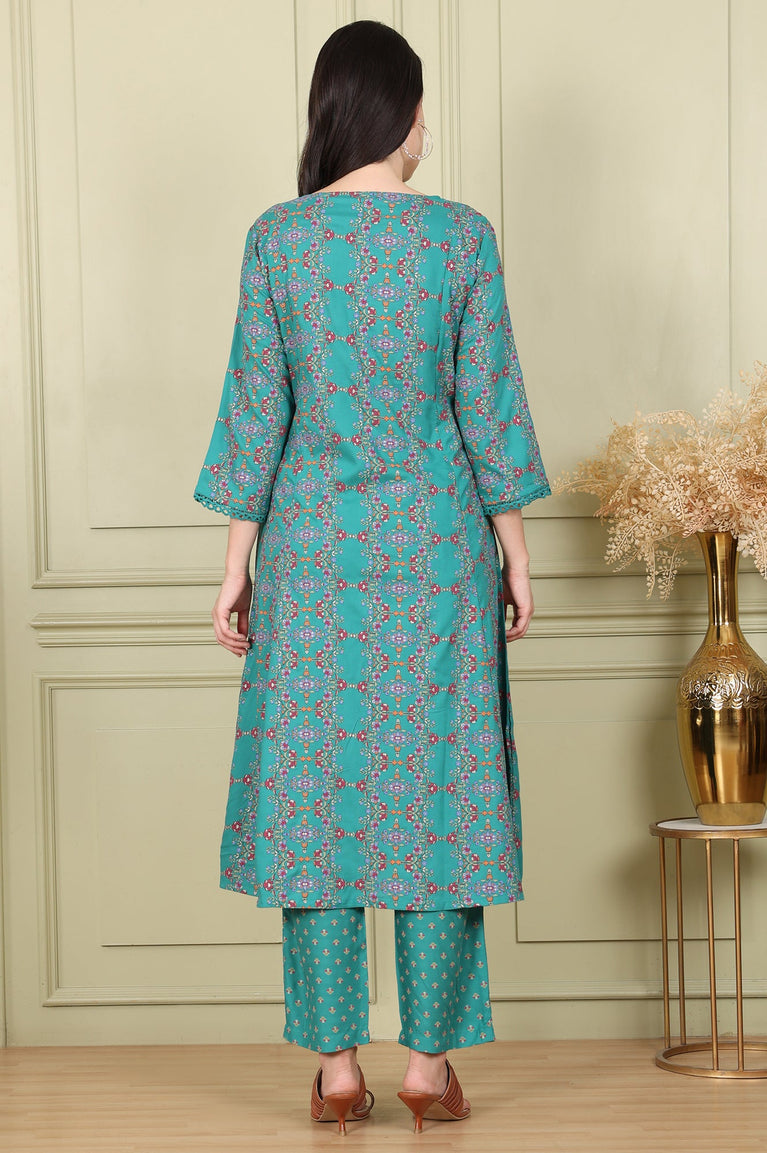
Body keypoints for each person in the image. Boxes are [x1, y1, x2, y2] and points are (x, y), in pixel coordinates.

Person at [193, 18, 550, 1135]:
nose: (425, 125)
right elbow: (485, 401)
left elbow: (257, 407)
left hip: (313, 558)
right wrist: (515, 551)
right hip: (437, 554)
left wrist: (235, 565)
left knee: (318, 807)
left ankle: (338, 1068)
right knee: (439, 801)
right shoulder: (460, 238)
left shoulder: (278, 239)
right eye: (420, 106)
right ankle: (428, 1067)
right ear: (399, 111)